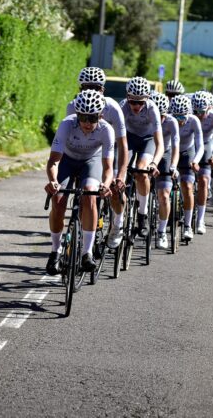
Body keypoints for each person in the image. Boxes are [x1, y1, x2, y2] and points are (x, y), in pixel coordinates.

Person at [45, 90, 114, 275]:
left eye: (92, 118)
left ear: (100, 116)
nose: (87, 123)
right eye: (83, 117)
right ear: (77, 114)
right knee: (58, 200)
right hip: (67, 160)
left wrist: (106, 184)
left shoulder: (106, 130)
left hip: (91, 162)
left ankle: (87, 252)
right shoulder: (67, 124)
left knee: (90, 194)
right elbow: (54, 161)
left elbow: (108, 167)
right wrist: (53, 181)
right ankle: (55, 251)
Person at [66, 67, 128, 251]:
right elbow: (69, 137)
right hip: (85, 152)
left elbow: (122, 145)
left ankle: (117, 223)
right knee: (83, 192)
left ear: (103, 89)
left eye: (96, 87)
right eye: (86, 87)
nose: (91, 91)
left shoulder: (113, 108)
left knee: (116, 188)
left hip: (109, 151)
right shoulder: (73, 106)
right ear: (80, 89)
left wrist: (121, 175)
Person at [120, 76, 164, 240]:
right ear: (127, 98)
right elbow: (114, 137)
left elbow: (160, 143)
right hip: (129, 138)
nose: (136, 106)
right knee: (121, 172)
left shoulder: (152, 109)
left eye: (140, 102)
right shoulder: (122, 107)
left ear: (147, 99)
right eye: (133, 101)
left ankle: (142, 214)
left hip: (147, 140)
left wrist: (154, 163)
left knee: (142, 171)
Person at [171, 95, 205, 237]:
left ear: (189, 113)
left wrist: (196, 161)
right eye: (176, 117)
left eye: (182, 118)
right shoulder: (168, 120)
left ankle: (187, 225)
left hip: (187, 153)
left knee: (187, 186)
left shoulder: (194, 121)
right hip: (171, 151)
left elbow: (200, 145)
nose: (179, 122)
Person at [193, 90, 213, 239]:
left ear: (209, 109)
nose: (198, 115)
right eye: (195, 111)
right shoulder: (189, 113)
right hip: (190, 143)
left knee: (204, 180)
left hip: (206, 143)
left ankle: (200, 220)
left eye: (201, 112)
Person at [152, 92, 179, 250]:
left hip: (165, 154)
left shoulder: (171, 122)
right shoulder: (144, 118)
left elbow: (176, 146)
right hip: (148, 151)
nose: (159, 120)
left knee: (164, 195)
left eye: (162, 116)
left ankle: (162, 231)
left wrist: (173, 166)